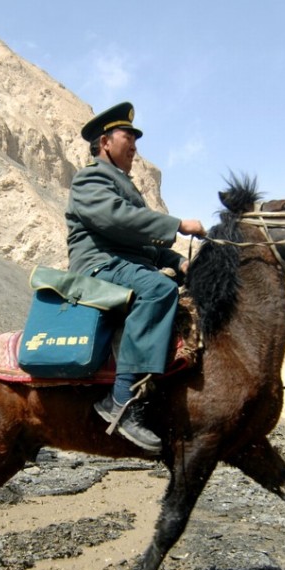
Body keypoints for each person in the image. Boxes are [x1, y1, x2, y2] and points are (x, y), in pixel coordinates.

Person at [65, 102, 206, 454]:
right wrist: (176, 225)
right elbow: (115, 220)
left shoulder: (125, 186)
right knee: (158, 289)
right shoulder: (90, 179)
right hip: (99, 265)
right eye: (127, 136)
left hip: (125, 263)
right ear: (104, 142)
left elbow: (142, 243)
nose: (134, 145)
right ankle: (121, 400)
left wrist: (179, 261)